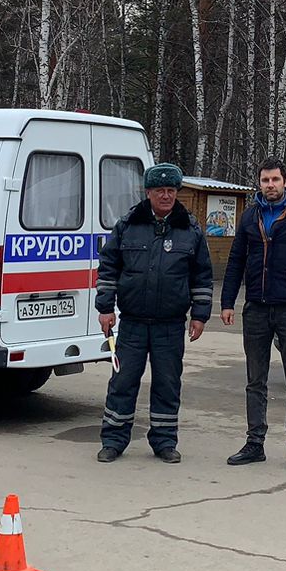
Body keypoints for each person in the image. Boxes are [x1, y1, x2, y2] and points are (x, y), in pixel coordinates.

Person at [96, 162, 213, 463]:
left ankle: (164, 441)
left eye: (171, 190)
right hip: (132, 323)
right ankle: (113, 440)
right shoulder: (127, 225)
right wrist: (105, 309)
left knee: (167, 383)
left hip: (170, 326)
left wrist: (200, 315)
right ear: (148, 192)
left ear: (177, 193)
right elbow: (109, 268)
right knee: (122, 382)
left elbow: (201, 276)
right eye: (159, 190)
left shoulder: (190, 231)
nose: (165, 196)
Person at [219, 157, 286, 473]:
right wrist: (227, 301)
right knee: (255, 380)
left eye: (275, 180)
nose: (270, 186)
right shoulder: (250, 217)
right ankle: (255, 443)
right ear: (259, 183)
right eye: (265, 180)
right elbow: (236, 259)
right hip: (256, 308)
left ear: (285, 181)